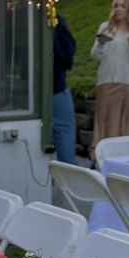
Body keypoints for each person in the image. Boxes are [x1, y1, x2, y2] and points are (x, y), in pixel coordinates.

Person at [90, 0, 129, 155]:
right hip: (107, 81)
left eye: (122, 6)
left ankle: (122, 156)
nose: (118, 9)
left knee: (124, 123)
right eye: (116, 6)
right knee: (105, 122)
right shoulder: (106, 27)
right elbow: (95, 55)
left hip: (128, 82)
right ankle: (100, 156)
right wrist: (101, 44)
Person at [52, 13, 77, 164]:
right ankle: (70, 176)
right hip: (55, 86)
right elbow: (67, 51)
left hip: (24, 89)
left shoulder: (16, 17)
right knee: (64, 130)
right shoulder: (53, 18)